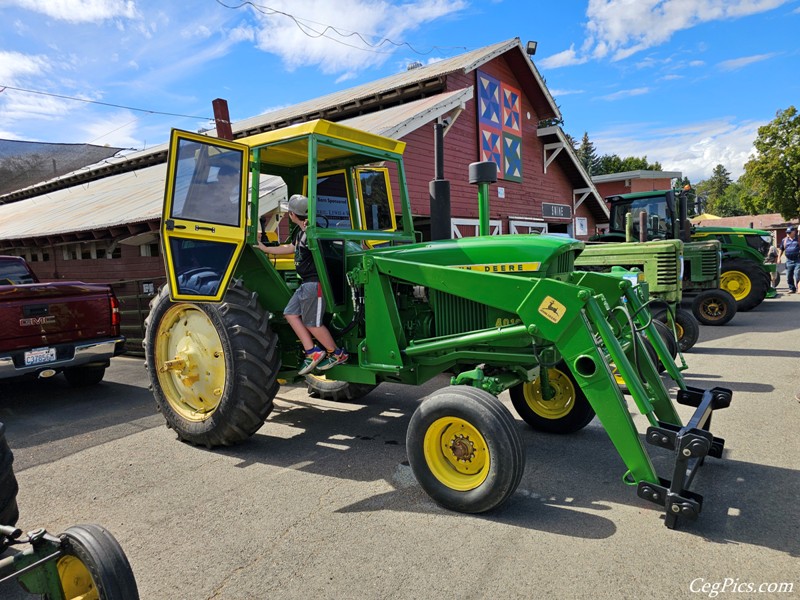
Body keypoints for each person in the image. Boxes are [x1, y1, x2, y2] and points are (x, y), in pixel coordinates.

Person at [256, 194, 348, 374]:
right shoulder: (301, 233)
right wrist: (266, 249)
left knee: (313, 323)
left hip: (314, 283)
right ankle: (312, 351)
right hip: (305, 283)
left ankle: (337, 353)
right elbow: (290, 248)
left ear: (292, 215)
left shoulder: (313, 233)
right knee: (290, 313)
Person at [776, 225, 799, 294]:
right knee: (789, 275)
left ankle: (799, 288)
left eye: (789, 232)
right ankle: (791, 288)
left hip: (798, 260)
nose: (788, 233)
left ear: (794, 232)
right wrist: (779, 258)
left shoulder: (798, 239)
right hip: (789, 260)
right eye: (787, 232)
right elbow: (781, 249)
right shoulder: (784, 240)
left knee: (797, 274)